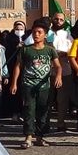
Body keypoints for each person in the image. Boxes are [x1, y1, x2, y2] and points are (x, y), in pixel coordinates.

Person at [10, 19, 62, 148]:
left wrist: (59, 76)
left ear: (45, 34)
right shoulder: (26, 50)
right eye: (34, 32)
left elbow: (57, 66)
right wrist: (14, 83)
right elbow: (18, 66)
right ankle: (28, 137)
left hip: (44, 86)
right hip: (28, 85)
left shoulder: (50, 50)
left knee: (43, 111)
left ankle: (40, 137)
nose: (36, 34)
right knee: (29, 110)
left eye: (39, 32)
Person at [49, 13, 75, 132]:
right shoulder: (45, 33)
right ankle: (45, 122)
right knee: (47, 99)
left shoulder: (67, 34)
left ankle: (60, 122)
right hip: (47, 71)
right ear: (52, 20)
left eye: (61, 19)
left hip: (64, 70)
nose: (58, 21)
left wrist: (64, 53)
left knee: (62, 99)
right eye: (56, 19)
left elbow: (72, 50)